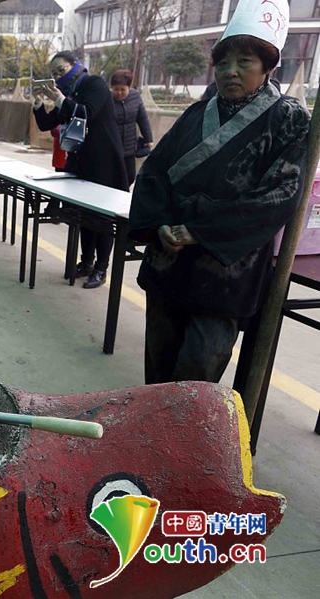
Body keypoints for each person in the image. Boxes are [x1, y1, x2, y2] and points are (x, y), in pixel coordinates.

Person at [128, 0, 309, 384]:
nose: (231, 72)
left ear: (268, 66)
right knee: (157, 372)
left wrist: (200, 231)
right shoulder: (197, 114)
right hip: (169, 263)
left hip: (225, 275)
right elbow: (153, 174)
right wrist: (159, 224)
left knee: (198, 374)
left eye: (244, 62)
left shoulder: (288, 119)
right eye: (223, 63)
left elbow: (281, 194)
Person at [32, 51, 127, 289]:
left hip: (104, 163)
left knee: (103, 218)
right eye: (54, 74)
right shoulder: (70, 94)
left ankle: (101, 268)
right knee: (84, 215)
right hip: (81, 163)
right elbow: (46, 123)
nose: (57, 77)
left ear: (75, 66)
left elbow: (86, 112)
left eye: (61, 71)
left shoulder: (94, 84)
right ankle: (86, 262)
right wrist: (38, 102)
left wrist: (60, 99)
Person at [110, 70, 153, 188]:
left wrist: (148, 139)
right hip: (112, 147)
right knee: (112, 178)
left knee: (129, 177)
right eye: (116, 89)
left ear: (129, 87)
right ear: (111, 87)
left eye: (123, 89)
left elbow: (142, 119)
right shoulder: (107, 99)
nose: (119, 93)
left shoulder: (135, 97)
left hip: (129, 147)